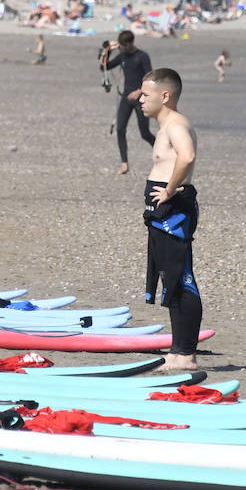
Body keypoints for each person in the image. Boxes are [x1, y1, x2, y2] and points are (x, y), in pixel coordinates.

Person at [137, 67, 202, 373]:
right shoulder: (165, 127)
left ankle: (186, 354)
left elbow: (187, 157)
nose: (140, 99)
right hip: (164, 209)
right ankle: (177, 352)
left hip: (174, 210)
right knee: (170, 279)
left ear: (165, 96)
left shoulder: (176, 125)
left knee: (182, 277)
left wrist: (170, 190)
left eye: (146, 94)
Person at [100, 30, 154, 176]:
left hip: (141, 99)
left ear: (130, 43)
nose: (121, 48)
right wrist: (107, 50)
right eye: (120, 46)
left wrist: (138, 91)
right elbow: (104, 66)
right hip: (126, 98)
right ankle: (124, 164)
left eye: (123, 46)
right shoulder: (123, 56)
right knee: (120, 129)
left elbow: (150, 78)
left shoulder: (142, 56)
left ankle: (163, 154)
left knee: (144, 133)